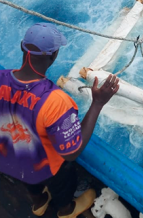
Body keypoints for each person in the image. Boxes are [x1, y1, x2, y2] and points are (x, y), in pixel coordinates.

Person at [0, 22, 120, 218]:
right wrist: (97, 103)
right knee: (62, 181)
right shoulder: (55, 101)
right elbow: (71, 153)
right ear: (54, 55)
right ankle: (66, 210)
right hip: (46, 167)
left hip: (12, 159)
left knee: (26, 174)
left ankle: (39, 202)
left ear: (22, 46)